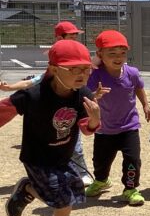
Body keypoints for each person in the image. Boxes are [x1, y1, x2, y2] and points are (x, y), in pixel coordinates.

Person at [2, 40, 101, 216]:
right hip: (38, 158)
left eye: (86, 69)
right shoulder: (33, 95)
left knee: (75, 192)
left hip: (62, 156)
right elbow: (3, 111)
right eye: (74, 69)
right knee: (62, 202)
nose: (82, 75)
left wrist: (94, 120)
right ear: (54, 69)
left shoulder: (83, 95)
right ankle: (28, 190)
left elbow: (86, 128)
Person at [0, 20, 95, 185]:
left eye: (75, 36)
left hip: (67, 114)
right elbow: (34, 82)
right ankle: (33, 186)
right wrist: (11, 88)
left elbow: (89, 126)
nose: (74, 40)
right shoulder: (56, 64)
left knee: (73, 143)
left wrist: (95, 118)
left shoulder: (80, 82)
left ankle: (80, 172)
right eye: (70, 36)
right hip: (48, 118)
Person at [85, 30, 150, 206]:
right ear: (100, 54)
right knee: (101, 161)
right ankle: (101, 181)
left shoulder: (132, 72)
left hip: (129, 127)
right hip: (104, 129)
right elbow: (86, 96)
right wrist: (95, 95)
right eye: (112, 53)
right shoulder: (95, 74)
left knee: (132, 160)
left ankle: (130, 189)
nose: (118, 57)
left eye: (122, 53)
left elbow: (138, 87)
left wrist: (145, 104)